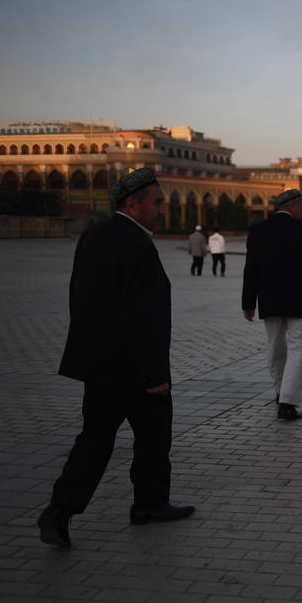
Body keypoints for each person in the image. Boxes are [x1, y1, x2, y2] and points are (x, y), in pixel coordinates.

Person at [38, 168, 194, 549]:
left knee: (95, 441)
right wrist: (153, 373)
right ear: (132, 204)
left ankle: (60, 512)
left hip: (101, 366)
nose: (162, 209)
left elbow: (78, 297)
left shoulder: (95, 235)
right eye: (156, 202)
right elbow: (142, 316)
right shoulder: (136, 244)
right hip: (136, 369)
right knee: (153, 436)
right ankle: (149, 503)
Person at [242, 189, 302, 421]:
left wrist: (248, 302)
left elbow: (250, 269)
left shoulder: (258, 230)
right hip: (300, 301)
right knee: (297, 350)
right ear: (292, 206)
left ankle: (280, 390)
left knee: (275, 347)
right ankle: (288, 403)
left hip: (270, 301)